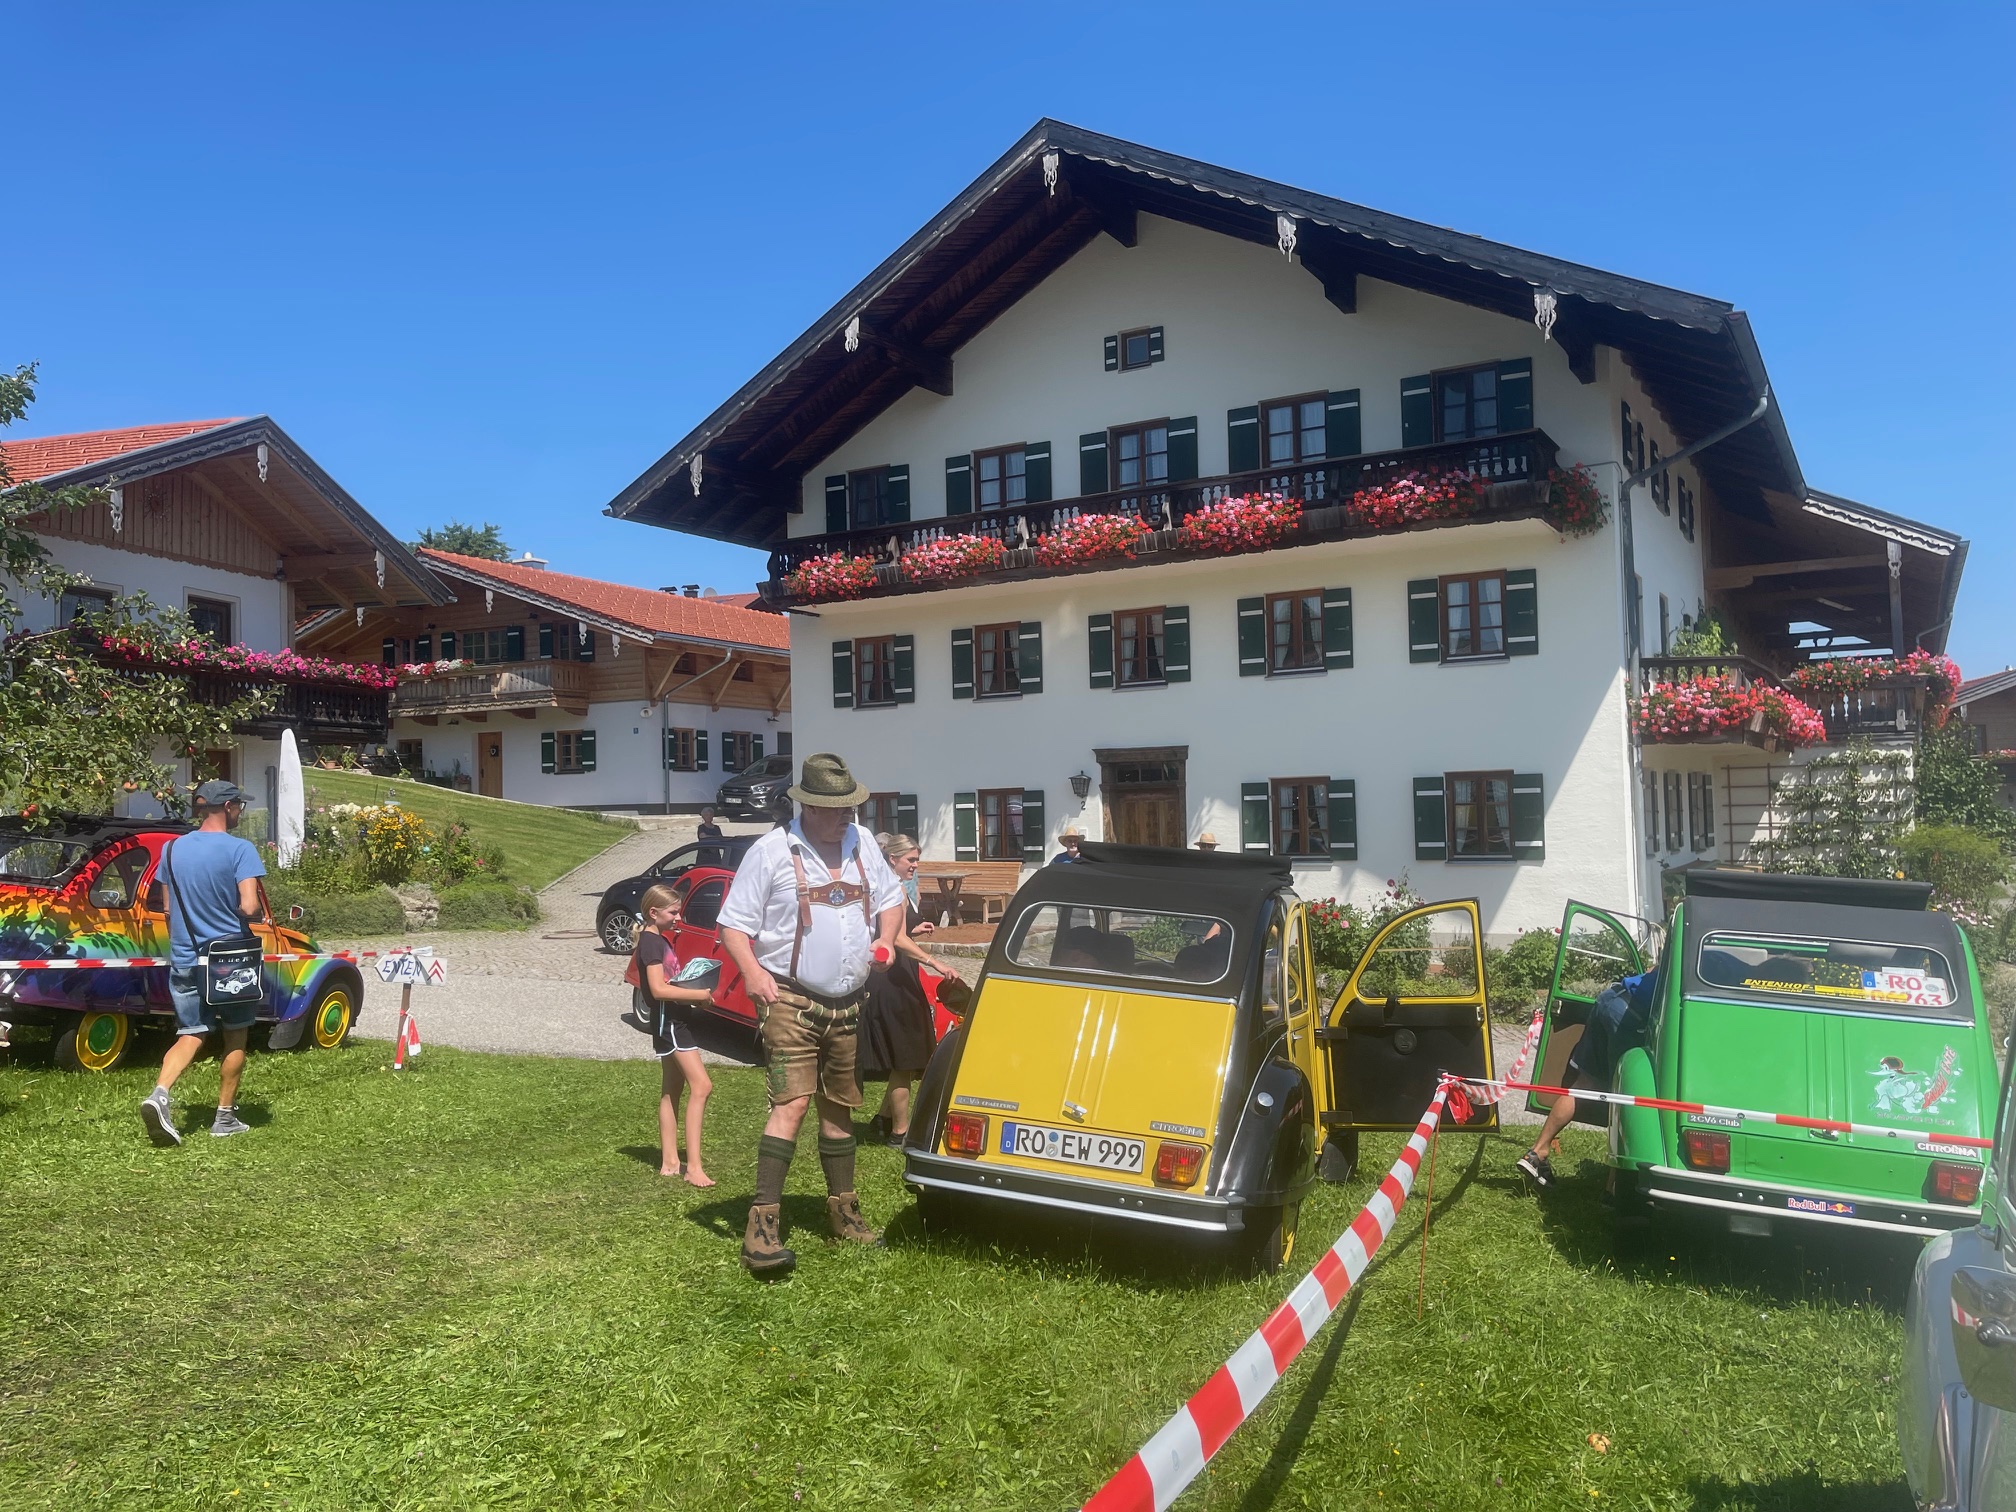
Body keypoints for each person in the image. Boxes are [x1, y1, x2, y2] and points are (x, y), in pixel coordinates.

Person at [718, 753, 905, 1276]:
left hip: (849, 1004)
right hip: (791, 1000)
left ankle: (844, 1214)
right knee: (793, 1104)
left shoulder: (862, 843)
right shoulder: (771, 852)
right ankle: (761, 1228)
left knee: (839, 1106)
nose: (848, 817)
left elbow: (892, 901)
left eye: (851, 808)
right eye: (838, 809)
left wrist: (887, 940)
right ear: (810, 807)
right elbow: (733, 926)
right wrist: (753, 974)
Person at [140, 779, 268, 1146]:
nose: (240, 812)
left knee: (191, 1033)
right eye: (239, 806)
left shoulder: (171, 850)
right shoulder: (241, 849)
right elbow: (249, 906)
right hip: (230, 959)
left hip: (185, 956)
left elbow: (167, 909)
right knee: (236, 1033)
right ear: (227, 807)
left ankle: (160, 1094)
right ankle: (224, 1117)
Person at [1518, 967, 1659, 1189]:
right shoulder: (1711, 960)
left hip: (1611, 997)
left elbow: (1650, 970)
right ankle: (1613, 1189)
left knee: (1584, 1083)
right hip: (1630, 1015)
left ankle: (1537, 1152)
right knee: (1622, 1097)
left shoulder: (1682, 949)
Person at [859, 835, 956, 1146]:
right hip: (894, 980)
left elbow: (893, 930)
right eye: (910, 860)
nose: (915, 865)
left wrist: (914, 929)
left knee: (906, 1053)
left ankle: (883, 1119)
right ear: (892, 859)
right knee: (905, 1056)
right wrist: (934, 962)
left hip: (894, 976)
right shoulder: (895, 889)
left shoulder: (887, 887)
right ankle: (900, 1133)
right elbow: (896, 939)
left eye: (917, 860)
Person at [633, 883, 719, 1186]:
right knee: (702, 1086)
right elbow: (658, 990)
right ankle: (693, 1168)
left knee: (672, 1089)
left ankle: (670, 1162)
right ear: (653, 912)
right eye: (673, 912)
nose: (678, 917)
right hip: (670, 1023)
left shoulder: (658, 941)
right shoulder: (651, 944)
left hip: (671, 1021)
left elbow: (669, 985)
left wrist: (694, 994)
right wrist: (698, 994)